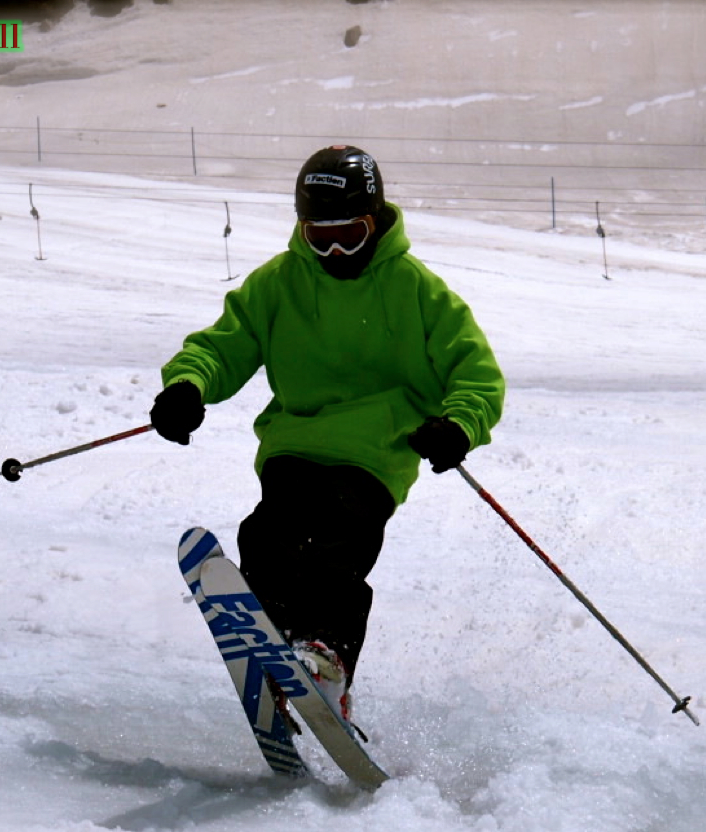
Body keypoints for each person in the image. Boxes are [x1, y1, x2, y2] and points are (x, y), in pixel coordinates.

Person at [150, 145, 504, 724]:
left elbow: (477, 376)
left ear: (377, 219)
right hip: (294, 445)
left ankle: (326, 658)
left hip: (374, 454)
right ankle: (277, 656)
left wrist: (458, 426)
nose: (336, 250)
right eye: (321, 237)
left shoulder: (418, 292)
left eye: (351, 233)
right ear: (302, 229)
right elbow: (220, 348)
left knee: (333, 546)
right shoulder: (278, 284)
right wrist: (188, 387)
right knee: (268, 539)